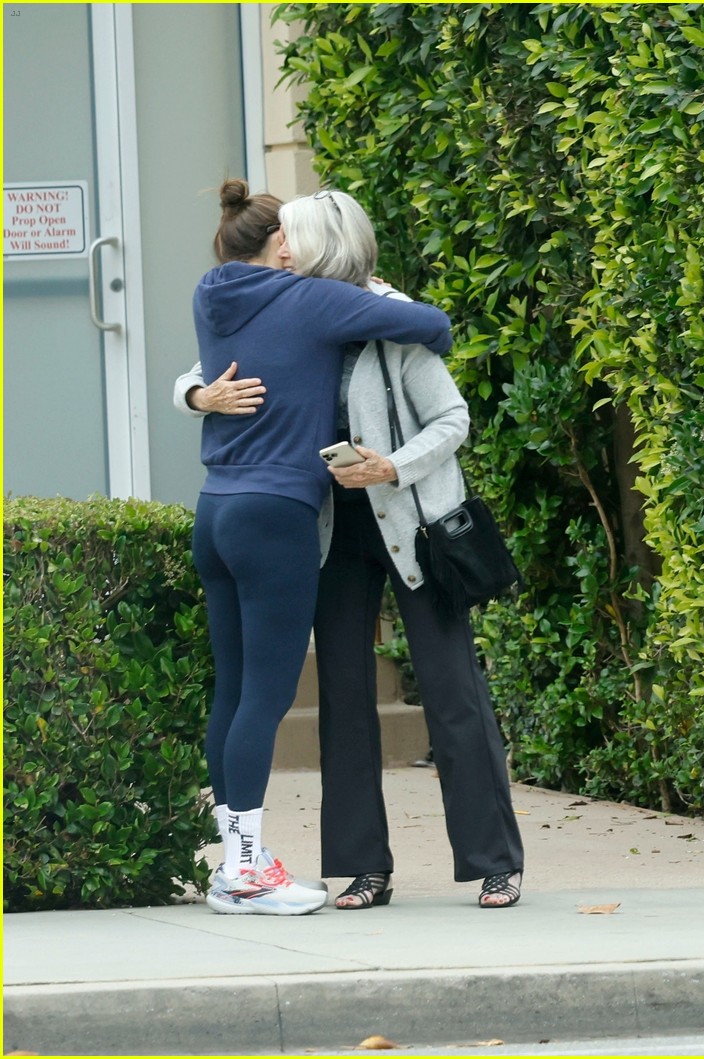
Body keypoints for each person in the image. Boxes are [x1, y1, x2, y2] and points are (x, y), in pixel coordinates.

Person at [177, 189, 525, 910]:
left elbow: (453, 417)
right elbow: (200, 366)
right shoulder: (290, 304)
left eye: (293, 238)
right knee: (341, 695)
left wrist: (392, 465)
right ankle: (363, 866)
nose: (283, 249)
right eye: (279, 239)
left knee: (451, 689)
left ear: (319, 246)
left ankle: (494, 860)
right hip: (330, 528)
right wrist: (198, 397)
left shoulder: (379, 319)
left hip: (409, 521)